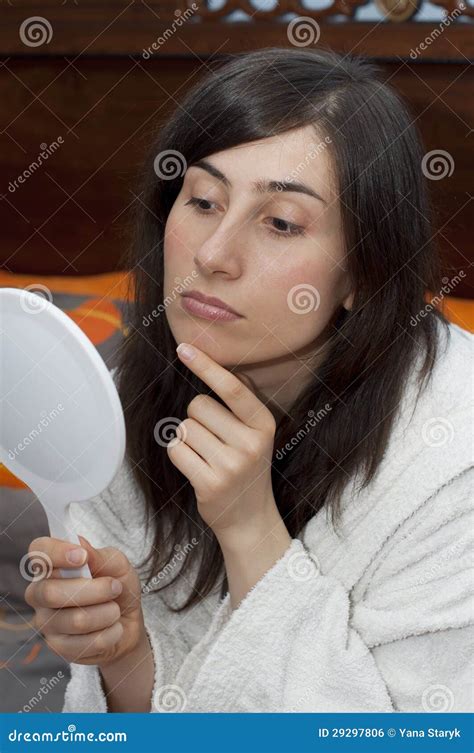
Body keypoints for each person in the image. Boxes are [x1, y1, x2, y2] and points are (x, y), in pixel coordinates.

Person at [25, 47, 473, 713]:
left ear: (363, 269)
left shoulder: (453, 449)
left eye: (281, 222)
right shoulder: (120, 404)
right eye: (203, 200)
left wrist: (250, 529)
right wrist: (123, 657)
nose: (212, 254)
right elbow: (160, 718)